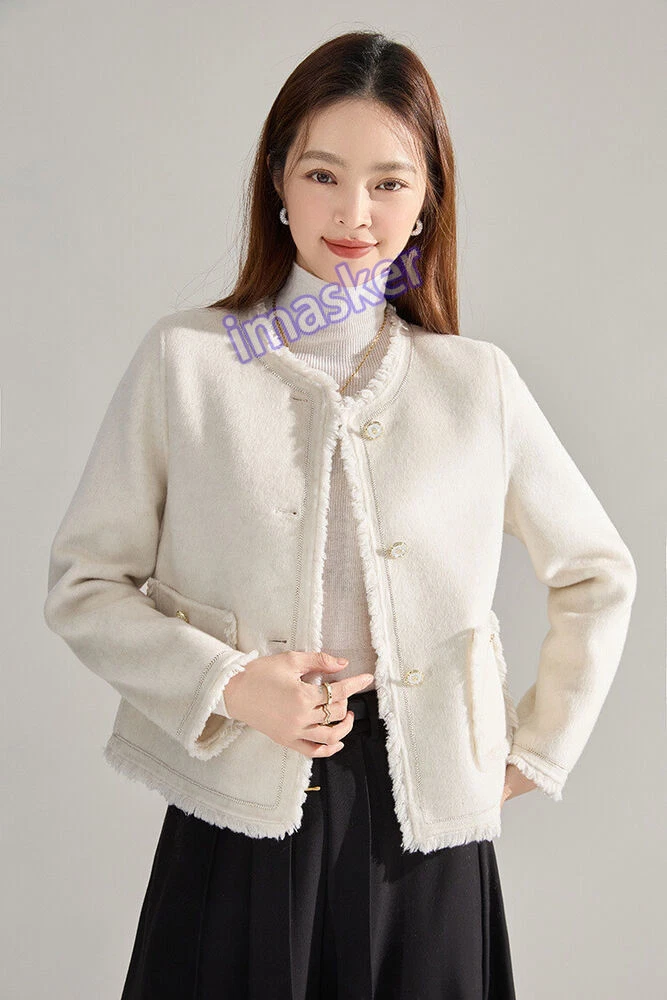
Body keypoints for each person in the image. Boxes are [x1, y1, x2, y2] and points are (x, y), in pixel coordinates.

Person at [43, 30, 637, 1000]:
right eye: (323, 174)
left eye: (389, 182)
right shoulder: (188, 363)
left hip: (426, 835)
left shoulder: (474, 384)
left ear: (427, 197)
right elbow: (85, 584)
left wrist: (535, 750)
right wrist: (231, 685)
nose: (354, 214)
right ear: (277, 179)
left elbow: (596, 572)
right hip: (236, 811)